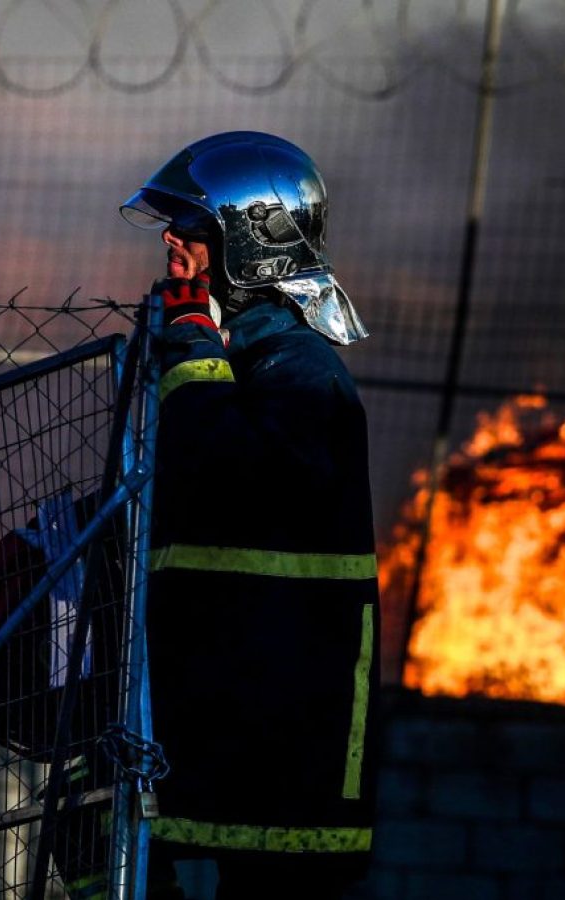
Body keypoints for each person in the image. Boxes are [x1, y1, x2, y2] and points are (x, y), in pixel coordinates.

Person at [118, 131, 380, 900]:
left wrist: (192, 343)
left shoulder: (303, 370)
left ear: (251, 245)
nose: (170, 241)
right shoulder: (237, 358)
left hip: (281, 718)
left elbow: (224, 470)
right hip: (215, 696)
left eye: (192, 229)